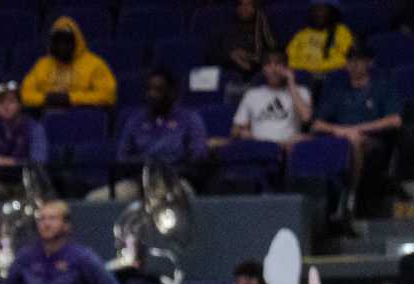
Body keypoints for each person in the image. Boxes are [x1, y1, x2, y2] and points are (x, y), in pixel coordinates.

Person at [312, 49, 401, 225]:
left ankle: (350, 197)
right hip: (339, 139)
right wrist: (341, 130)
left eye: (359, 60)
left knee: (354, 141)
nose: (354, 65)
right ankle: (314, 198)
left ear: (368, 63)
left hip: (373, 141)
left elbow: (395, 120)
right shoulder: (338, 91)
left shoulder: (382, 87)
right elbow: (316, 124)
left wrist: (357, 129)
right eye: (350, 61)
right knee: (301, 142)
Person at [109, 71, 208, 202]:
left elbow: (197, 156)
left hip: (175, 181)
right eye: (149, 90)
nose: (152, 95)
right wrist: (146, 167)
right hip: (138, 182)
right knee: (95, 199)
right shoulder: (135, 121)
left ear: (172, 92)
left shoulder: (189, 119)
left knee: (183, 200)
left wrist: (165, 169)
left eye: (158, 90)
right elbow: (122, 157)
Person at [22, 15, 116, 110]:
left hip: (82, 115)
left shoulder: (95, 64)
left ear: (76, 42)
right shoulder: (42, 65)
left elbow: (107, 95)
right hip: (47, 114)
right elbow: (25, 94)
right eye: (58, 42)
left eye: (66, 41)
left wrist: (70, 98)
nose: (62, 47)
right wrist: (46, 99)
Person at [234, 53, 313, 148]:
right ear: (263, 69)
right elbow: (237, 129)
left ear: (286, 68)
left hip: (288, 147)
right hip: (259, 146)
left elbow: (306, 118)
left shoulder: (301, 91)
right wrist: (244, 133)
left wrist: (291, 82)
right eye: (268, 64)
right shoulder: (252, 94)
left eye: (278, 64)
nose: (273, 69)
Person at [211, 0, 281, 88]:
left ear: (255, 8)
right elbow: (213, 54)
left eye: (249, 4)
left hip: (257, 74)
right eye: (241, 4)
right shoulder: (226, 27)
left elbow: (275, 51)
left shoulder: (264, 25)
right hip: (230, 74)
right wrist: (232, 55)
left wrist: (249, 57)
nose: (244, 8)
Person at [286, 1, 354, 75]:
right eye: (315, 9)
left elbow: (347, 60)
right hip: (303, 75)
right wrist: (307, 68)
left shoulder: (341, 32)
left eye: (323, 9)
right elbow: (290, 59)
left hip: (331, 75)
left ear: (332, 12)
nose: (319, 13)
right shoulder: (302, 34)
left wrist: (320, 67)